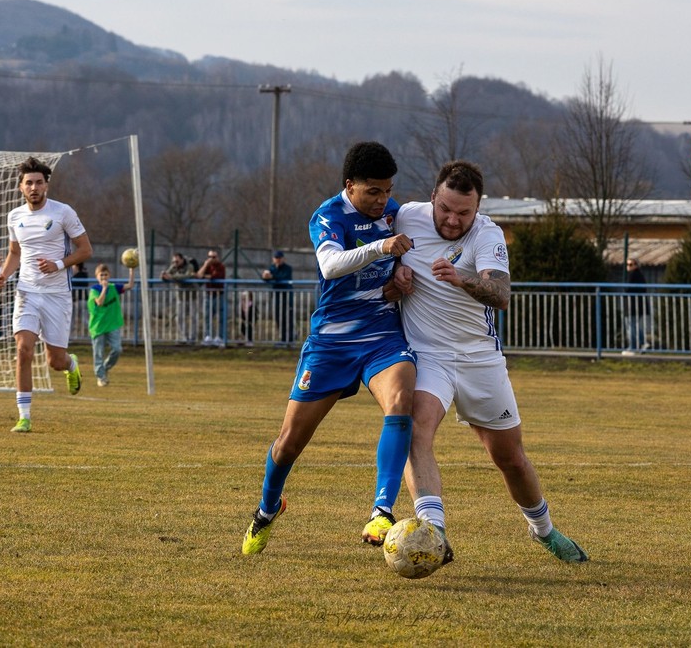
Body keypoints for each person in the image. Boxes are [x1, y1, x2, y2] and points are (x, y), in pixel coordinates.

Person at [390, 159, 588, 565]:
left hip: (480, 359)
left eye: (464, 212)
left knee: (509, 457)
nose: (452, 219)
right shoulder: (405, 217)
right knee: (415, 430)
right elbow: (373, 251)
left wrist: (461, 279)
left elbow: (500, 293)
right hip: (429, 356)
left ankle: (544, 531)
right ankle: (434, 533)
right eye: (445, 209)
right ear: (432, 198)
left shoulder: (487, 233)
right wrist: (394, 278)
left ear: (477, 208)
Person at [242, 141, 416, 555]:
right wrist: (382, 248)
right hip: (332, 343)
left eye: (388, 190)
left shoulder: (395, 213)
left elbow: (413, 255)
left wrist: (404, 273)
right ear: (350, 185)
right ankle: (268, 509)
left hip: (382, 336)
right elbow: (330, 265)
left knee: (401, 398)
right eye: (372, 191)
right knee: (289, 442)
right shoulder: (328, 216)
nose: (382, 200)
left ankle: (382, 511)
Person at [0, 156, 92, 433]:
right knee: (23, 350)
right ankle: (24, 416)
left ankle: (71, 364)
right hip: (27, 292)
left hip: (57, 294)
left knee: (54, 361)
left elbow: (85, 250)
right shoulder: (15, 216)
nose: (33, 187)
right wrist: (2, 274)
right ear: (21, 187)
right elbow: (15, 253)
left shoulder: (63, 213)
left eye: (38, 182)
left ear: (46, 185)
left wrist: (58, 265)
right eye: (28, 183)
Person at [87, 263, 136, 386]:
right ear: (97, 276)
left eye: (105, 274)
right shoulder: (94, 290)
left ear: (109, 275)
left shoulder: (114, 287)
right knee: (98, 352)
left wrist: (131, 269)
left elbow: (130, 285)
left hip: (112, 324)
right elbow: (99, 302)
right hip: (98, 326)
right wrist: (104, 288)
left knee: (117, 349)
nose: (103, 277)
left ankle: (105, 367)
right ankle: (101, 377)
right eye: (101, 275)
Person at [161, 252, 196, 344]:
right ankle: (184, 337)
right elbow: (167, 274)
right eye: (174, 261)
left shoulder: (189, 265)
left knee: (193, 317)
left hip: (192, 296)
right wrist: (164, 276)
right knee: (179, 317)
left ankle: (192, 338)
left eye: (177, 261)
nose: (175, 263)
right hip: (180, 297)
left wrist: (172, 277)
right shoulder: (174, 266)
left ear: (182, 259)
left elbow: (187, 275)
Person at [261, 250, 294, 345]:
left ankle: (290, 339)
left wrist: (272, 277)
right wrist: (265, 276)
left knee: (288, 318)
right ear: (273, 259)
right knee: (279, 318)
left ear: (283, 258)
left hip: (287, 297)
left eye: (279, 258)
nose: (278, 260)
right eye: (276, 258)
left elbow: (283, 278)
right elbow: (266, 278)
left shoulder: (288, 268)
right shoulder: (272, 268)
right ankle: (283, 339)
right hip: (277, 297)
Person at [197, 249, 227, 347]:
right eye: (209, 257)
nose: (211, 259)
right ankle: (208, 336)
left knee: (220, 318)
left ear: (217, 257)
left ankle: (220, 337)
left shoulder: (221, 266)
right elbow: (199, 275)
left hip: (219, 294)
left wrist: (206, 276)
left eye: (213, 257)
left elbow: (214, 277)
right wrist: (205, 265)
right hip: (208, 294)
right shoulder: (207, 266)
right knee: (207, 316)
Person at [622, 258, 650, 355]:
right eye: (627, 264)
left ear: (636, 265)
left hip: (633, 305)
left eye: (631, 264)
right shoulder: (638, 275)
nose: (628, 266)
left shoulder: (633, 275)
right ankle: (643, 343)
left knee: (630, 325)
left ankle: (632, 347)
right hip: (636, 304)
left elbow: (627, 288)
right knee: (633, 324)